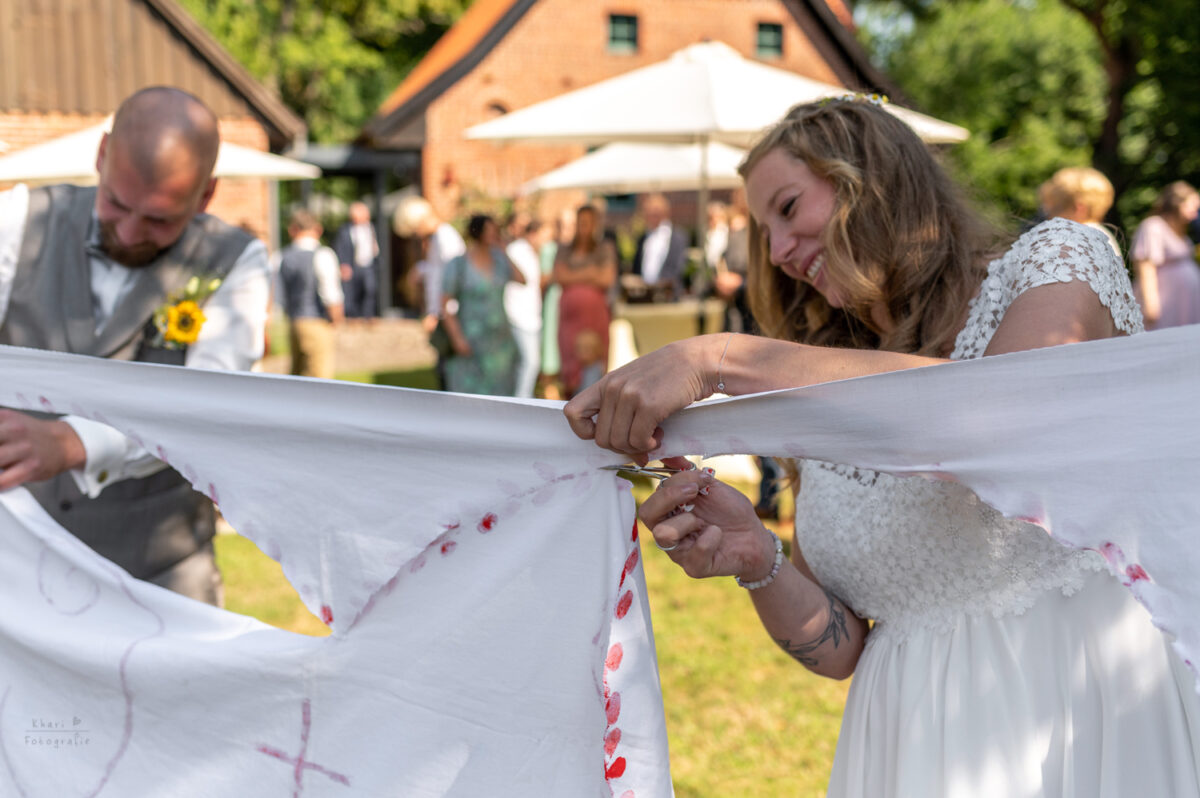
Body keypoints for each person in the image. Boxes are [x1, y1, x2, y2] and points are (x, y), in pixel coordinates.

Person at [565, 97, 1200, 796]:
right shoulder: (826, 380)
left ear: (870, 180)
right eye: (763, 231)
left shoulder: (1057, 260)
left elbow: (995, 418)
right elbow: (842, 648)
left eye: (788, 208)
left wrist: (720, 358)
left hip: (1074, 710)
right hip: (911, 747)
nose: (777, 253)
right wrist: (756, 557)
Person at [0, 86, 271, 605]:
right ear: (102, 155)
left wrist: (72, 443)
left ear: (206, 195)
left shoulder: (237, 261)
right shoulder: (19, 219)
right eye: (116, 204)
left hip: (161, 575)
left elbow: (206, 408)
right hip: (17, 567)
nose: (127, 233)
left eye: (159, 220)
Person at [440, 214, 526, 395]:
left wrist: (504, 251)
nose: (494, 234)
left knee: (503, 394)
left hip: (500, 340)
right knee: (470, 394)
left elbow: (522, 279)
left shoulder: (500, 260)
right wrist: (456, 337)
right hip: (471, 338)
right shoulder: (459, 264)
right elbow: (445, 303)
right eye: (490, 230)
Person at [392, 195, 466, 383]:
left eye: (414, 229)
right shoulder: (437, 238)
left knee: (449, 373)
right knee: (443, 371)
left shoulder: (445, 238)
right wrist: (420, 270)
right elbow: (437, 270)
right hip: (443, 314)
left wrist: (435, 314)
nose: (417, 234)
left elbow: (451, 281)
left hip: (448, 315)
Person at [554, 205, 617, 398]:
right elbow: (559, 276)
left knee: (593, 367)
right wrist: (590, 273)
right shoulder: (564, 250)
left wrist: (574, 275)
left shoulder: (604, 249)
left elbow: (606, 278)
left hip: (593, 317)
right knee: (571, 368)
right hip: (570, 320)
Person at [277, 208, 344, 379]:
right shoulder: (323, 254)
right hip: (317, 321)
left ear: (292, 230)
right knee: (320, 378)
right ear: (318, 229)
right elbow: (331, 293)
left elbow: (276, 293)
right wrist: (336, 319)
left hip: (293, 321)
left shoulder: (281, 256)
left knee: (296, 376)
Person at [1130, 181, 1200, 330]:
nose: (1196, 211)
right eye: (1192, 205)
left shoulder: (1181, 232)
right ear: (1177, 204)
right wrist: (1150, 303)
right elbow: (1145, 265)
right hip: (1165, 303)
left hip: (1184, 302)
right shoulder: (1153, 226)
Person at [505, 219, 550, 399]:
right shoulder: (516, 250)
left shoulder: (533, 253)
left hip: (531, 317)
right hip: (518, 316)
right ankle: (521, 399)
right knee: (531, 362)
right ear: (533, 234)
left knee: (526, 363)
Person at [1038, 166, 1120, 254]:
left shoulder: (1077, 239)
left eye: (1054, 209)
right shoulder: (1101, 236)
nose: (1048, 217)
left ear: (1079, 208)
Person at [625, 193, 687, 302]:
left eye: (655, 212)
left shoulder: (678, 237)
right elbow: (637, 268)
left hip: (668, 297)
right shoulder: (643, 238)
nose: (651, 215)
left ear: (665, 212)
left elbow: (678, 268)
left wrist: (659, 286)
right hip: (644, 297)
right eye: (648, 212)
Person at [332, 201, 379, 320]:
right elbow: (340, 247)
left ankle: (368, 315)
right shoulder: (345, 230)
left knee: (370, 290)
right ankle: (353, 316)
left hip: (369, 265)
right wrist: (343, 265)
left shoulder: (373, 228)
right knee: (352, 292)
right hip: (353, 265)